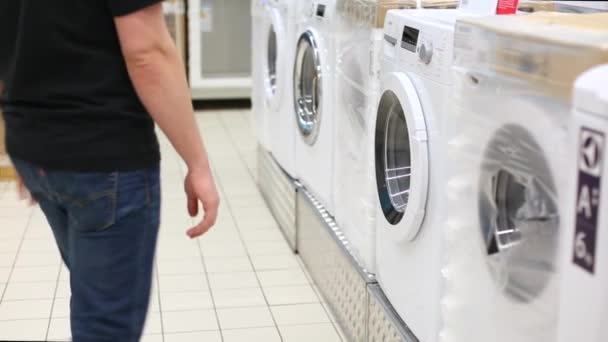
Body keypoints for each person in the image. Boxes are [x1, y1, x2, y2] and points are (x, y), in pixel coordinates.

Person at [0, 1, 220, 341]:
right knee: (105, 326)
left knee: (93, 298)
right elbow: (147, 52)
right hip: (103, 154)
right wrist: (198, 163)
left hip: (35, 149)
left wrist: (24, 130)